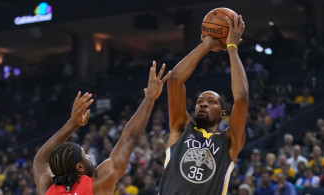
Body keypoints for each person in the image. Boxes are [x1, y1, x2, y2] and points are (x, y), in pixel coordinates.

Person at [33, 62, 171, 195]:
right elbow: (129, 138)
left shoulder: (48, 190)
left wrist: (72, 124)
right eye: (84, 154)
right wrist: (149, 98)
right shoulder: (98, 183)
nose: (88, 156)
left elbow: (40, 160)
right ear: (79, 167)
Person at [159, 14, 248, 195]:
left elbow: (242, 98)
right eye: (199, 102)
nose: (203, 104)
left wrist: (232, 47)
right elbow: (174, 80)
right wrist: (207, 44)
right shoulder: (181, 129)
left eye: (211, 102)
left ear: (223, 113)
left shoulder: (229, 142)